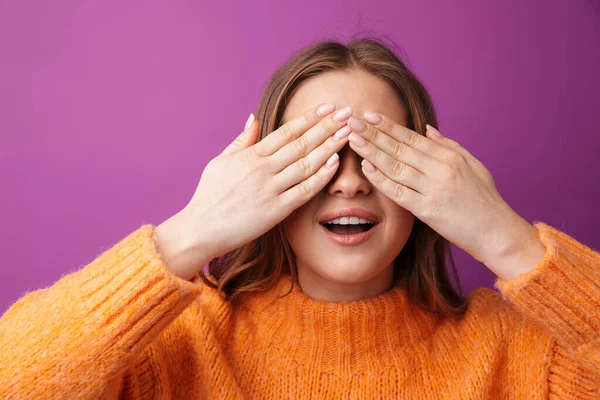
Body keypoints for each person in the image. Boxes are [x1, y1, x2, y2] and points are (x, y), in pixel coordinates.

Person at [0, 37, 599, 399]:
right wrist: (191, 232)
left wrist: (507, 238)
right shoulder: (178, 344)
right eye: (313, 154)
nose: (349, 179)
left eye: (377, 152)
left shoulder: (517, 350)